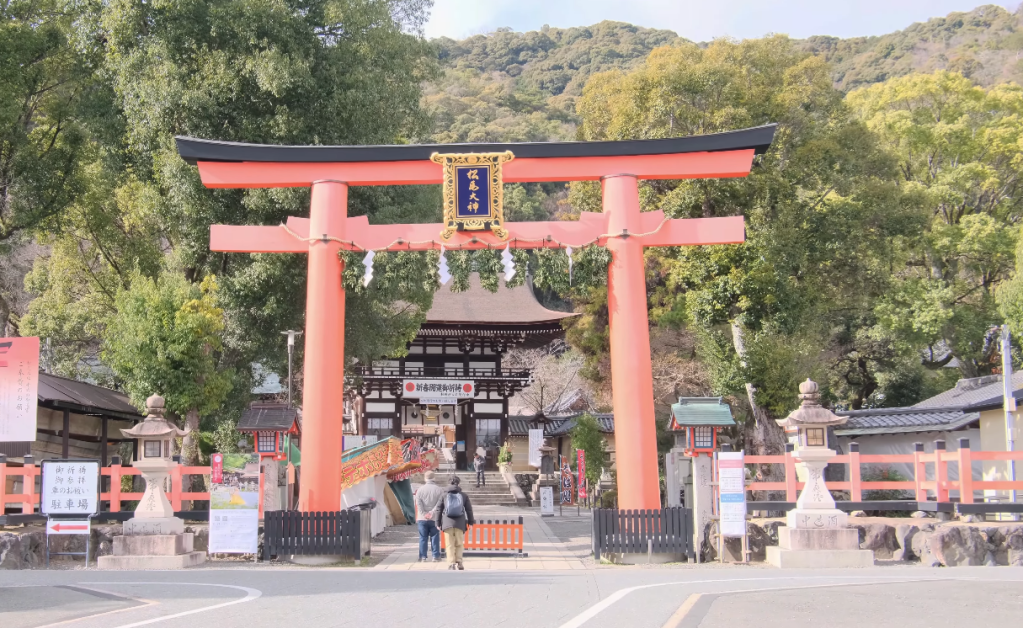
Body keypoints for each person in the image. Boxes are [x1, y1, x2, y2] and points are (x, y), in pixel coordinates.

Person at [432, 475, 475, 570]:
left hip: (447, 523)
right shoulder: (463, 495)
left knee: (449, 544)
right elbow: (469, 510)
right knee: (459, 543)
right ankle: (459, 562)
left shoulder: (444, 495)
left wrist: (437, 523)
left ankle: (451, 564)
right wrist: (471, 522)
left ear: (449, 483)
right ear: (458, 483)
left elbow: (439, 510)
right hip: (460, 523)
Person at [414, 471, 445, 562]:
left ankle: (422, 556)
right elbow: (439, 503)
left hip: (422, 518)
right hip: (434, 517)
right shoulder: (439, 490)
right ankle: (435, 556)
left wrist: (424, 513)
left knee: (423, 537)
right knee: (435, 536)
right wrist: (432, 512)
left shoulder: (420, 490)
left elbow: (418, 503)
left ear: (425, 478)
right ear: (434, 478)